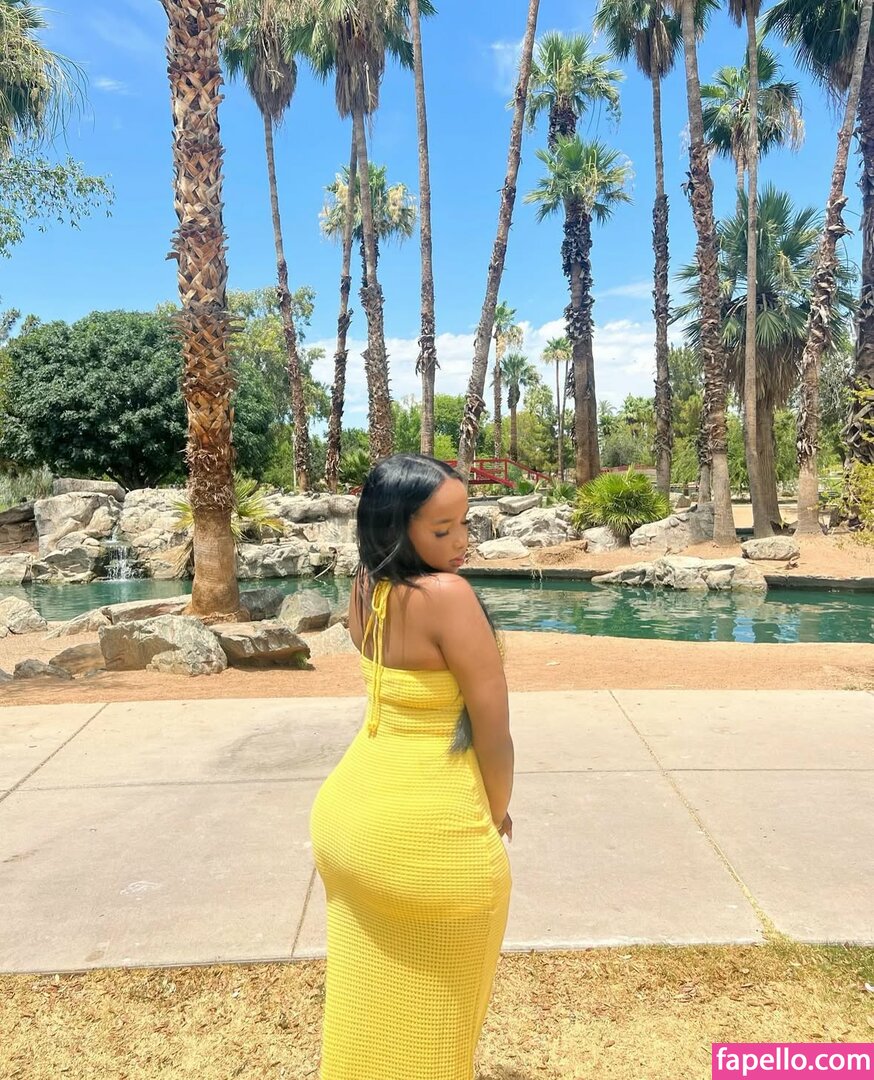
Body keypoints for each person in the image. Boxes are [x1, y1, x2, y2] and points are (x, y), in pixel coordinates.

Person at [309, 453, 514, 1080]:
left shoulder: (364, 586)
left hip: (349, 816)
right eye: (442, 529)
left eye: (465, 523)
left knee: (368, 1009)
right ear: (396, 528)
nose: (461, 542)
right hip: (425, 835)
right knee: (439, 1034)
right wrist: (496, 812)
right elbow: (494, 733)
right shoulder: (447, 596)